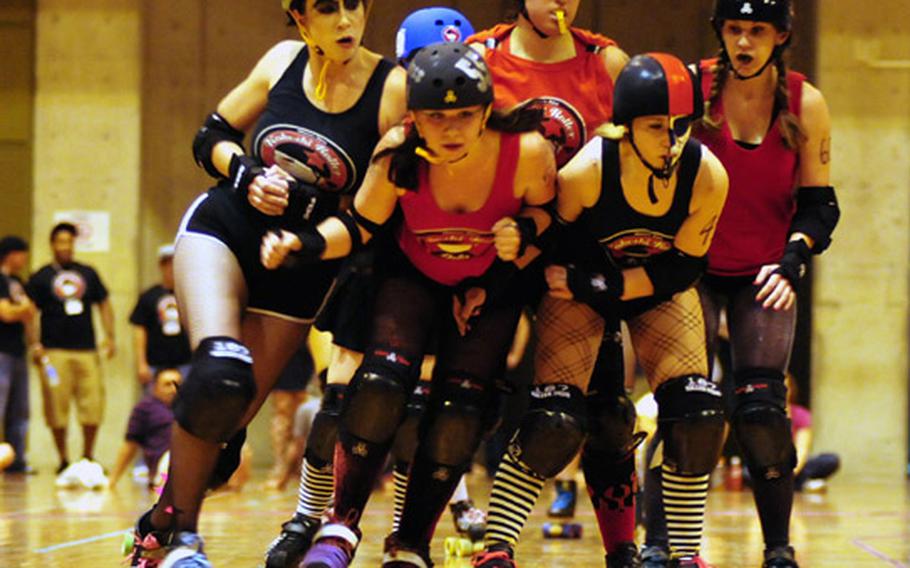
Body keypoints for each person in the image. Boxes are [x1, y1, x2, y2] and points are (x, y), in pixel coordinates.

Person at [124, 0, 407, 565]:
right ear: (301, 18)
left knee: (224, 428)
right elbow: (212, 135)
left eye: (355, 5)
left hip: (302, 266)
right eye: (329, 9)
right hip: (225, 229)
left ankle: (156, 526)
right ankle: (183, 542)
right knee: (219, 372)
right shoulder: (281, 60)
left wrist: (305, 240)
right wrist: (246, 172)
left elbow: (368, 218)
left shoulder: (390, 88)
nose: (346, 20)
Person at [261, 41, 556, 568]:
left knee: (460, 411)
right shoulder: (397, 152)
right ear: (414, 116)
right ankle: (339, 526)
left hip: (490, 282)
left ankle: (411, 542)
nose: (453, 129)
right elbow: (360, 225)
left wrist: (519, 239)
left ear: (488, 111)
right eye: (437, 117)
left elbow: (548, 215)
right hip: (413, 275)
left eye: (466, 115)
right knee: (377, 386)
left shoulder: (528, 150)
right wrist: (302, 245)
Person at [473, 53, 729, 568]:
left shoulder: (707, 175)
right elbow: (546, 240)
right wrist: (492, 291)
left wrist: (608, 282)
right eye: (657, 127)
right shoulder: (592, 167)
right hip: (577, 284)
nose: (671, 140)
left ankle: (683, 554)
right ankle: (496, 547)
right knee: (557, 422)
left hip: (647, 285)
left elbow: (682, 270)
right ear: (625, 125)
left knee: (697, 414)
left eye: (681, 127)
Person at [642, 2, 836, 567]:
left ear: (781, 36)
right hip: (691, 267)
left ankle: (778, 547)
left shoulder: (806, 102)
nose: (744, 43)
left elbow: (819, 205)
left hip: (764, 271)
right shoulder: (690, 89)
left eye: (757, 32)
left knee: (762, 413)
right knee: (686, 407)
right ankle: (660, 544)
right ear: (720, 33)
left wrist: (792, 261)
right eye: (734, 30)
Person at [468, 1, 643, 562]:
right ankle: (423, 538)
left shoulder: (607, 61)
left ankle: (623, 550)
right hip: (495, 248)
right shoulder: (481, 56)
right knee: (458, 404)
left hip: (573, 256)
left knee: (605, 415)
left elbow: (637, 157)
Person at [27, 222, 116, 477]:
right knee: (56, 405)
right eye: (60, 242)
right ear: (52, 244)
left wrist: (109, 337)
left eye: (69, 241)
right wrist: (35, 344)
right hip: (54, 353)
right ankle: (63, 459)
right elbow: (29, 312)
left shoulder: (88, 273)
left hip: (86, 351)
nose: (65, 246)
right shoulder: (42, 276)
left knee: (92, 403)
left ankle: (88, 456)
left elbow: (104, 303)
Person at [129, 244, 192, 388]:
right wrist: (141, 363)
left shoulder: (190, 295)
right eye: (167, 264)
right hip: (155, 364)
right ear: (161, 266)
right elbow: (139, 331)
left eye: (174, 263)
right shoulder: (149, 296)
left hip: (185, 363)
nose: (171, 269)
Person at [108, 368, 181, 489]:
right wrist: (113, 480)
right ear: (155, 387)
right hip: (165, 463)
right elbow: (130, 445)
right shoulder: (144, 409)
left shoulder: (190, 409)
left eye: (178, 384)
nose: (173, 389)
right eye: (167, 384)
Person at [0, 236, 36, 474]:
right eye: (22, 253)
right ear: (11, 254)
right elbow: (6, 313)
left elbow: (29, 313)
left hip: (18, 350)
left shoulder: (17, 281)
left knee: (19, 409)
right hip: (1, 351)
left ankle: (18, 459)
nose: (24, 259)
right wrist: (22, 310)